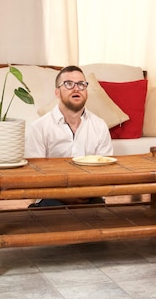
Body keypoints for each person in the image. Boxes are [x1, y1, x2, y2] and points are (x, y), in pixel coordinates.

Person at [25, 65, 113, 206]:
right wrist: (64, 195)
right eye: (69, 84)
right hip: (51, 197)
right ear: (57, 92)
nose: (76, 88)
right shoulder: (39, 128)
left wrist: (86, 192)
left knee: (106, 217)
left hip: (89, 196)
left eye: (81, 84)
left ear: (86, 91)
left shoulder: (100, 126)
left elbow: (105, 173)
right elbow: (35, 176)